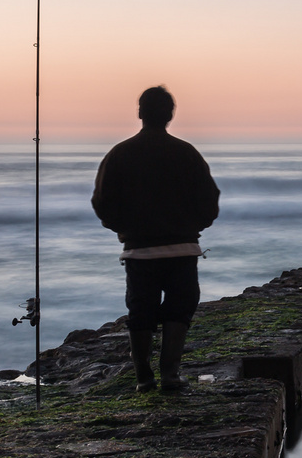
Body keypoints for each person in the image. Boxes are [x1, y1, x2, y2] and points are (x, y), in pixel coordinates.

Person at [91, 86, 220, 392]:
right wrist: (194, 226)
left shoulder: (119, 154)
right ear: (170, 114)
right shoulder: (187, 153)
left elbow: (102, 201)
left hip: (139, 250)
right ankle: (171, 375)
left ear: (140, 113)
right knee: (180, 306)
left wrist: (124, 229)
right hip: (182, 248)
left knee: (141, 311)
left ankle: (143, 378)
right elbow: (209, 199)